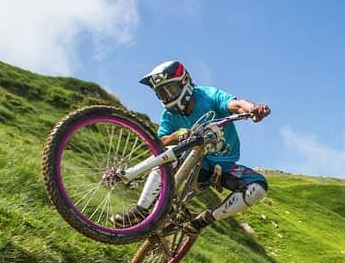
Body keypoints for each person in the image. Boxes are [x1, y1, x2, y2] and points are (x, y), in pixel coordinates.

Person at [112, 60, 271, 235]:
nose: (167, 97)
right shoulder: (169, 115)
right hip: (191, 161)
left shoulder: (207, 95)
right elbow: (160, 142)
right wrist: (176, 135)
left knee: (258, 187)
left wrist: (253, 109)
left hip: (223, 166)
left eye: (170, 90)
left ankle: (203, 220)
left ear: (184, 81)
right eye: (161, 94)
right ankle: (140, 211)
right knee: (165, 155)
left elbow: (237, 105)